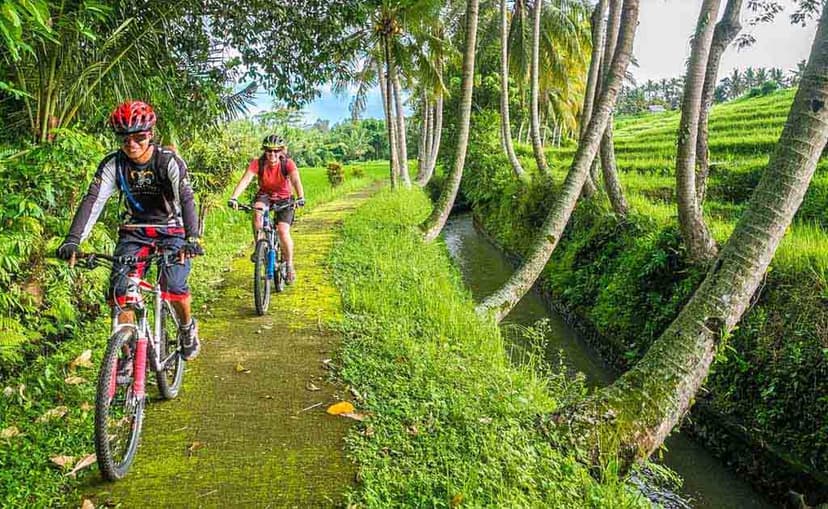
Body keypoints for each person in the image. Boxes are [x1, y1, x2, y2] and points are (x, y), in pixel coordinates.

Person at [56, 100, 204, 360]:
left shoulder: (167, 160)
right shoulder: (114, 165)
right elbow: (93, 201)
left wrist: (192, 238)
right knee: (121, 292)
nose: (132, 144)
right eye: (125, 139)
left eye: (139, 137)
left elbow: (186, 197)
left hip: (172, 230)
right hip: (134, 232)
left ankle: (186, 327)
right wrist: (72, 240)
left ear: (151, 135)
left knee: (172, 285)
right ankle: (125, 356)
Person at [227, 134, 305, 284]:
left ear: (281, 151)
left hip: (285, 199)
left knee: (282, 230)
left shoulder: (287, 164)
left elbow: (296, 180)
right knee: (257, 211)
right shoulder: (258, 163)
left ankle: (289, 265)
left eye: (276, 151)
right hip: (265, 196)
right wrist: (234, 197)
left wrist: (300, 197)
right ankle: (259, 246)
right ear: (264, 151)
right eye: (269, 151)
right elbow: (246, 180)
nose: (272, 154)